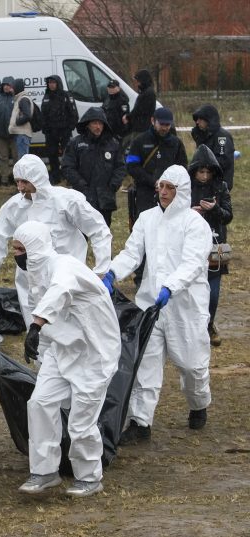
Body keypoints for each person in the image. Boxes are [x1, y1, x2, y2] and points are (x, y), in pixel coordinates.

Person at [101, 165, 212, 444]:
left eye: (169, 188)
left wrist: (171, 287)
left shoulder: (194, 224)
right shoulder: (147, 218)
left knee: (191, 366)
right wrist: (113, 271)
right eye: (161, 186)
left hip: (185, 307)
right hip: (150, 306)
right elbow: (132, 252)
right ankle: (141, 422)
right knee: (146, 365)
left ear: (181, 191)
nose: (163, 192)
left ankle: (199, 403)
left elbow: (193, 263)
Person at [12, 221, 120, 498]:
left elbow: (59, 292)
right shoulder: (35, 276)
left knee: (81, 420)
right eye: (14, 249)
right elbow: (54, 317)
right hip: (62, 351)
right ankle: (45, 471)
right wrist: (40, 343)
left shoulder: (65, 266)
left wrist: (35, 326)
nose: (16, 255)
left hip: (94, 352)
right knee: (40, 403)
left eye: (21, 249)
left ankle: (89, 477)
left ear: (35, 249)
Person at [0, 154, 113, 327]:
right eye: (17, 181)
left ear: (38, 179)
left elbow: (98, 229)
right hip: (29, 280)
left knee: (70, 329)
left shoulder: (66, 201)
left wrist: (102, 271)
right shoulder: (14, 206)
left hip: (66, 278)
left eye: (24, 182)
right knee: (36, 330)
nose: (20, 187)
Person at [188, 145, 232, 347]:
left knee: (213, 295)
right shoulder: (184, 187)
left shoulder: (221, 187)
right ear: (194, 170)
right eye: (201, 171)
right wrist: (191, 213)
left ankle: (209, 324)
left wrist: (214, 209)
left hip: (216, 246)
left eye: (208, 172)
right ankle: (191, 327)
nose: (204, 176)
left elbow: (228, 216)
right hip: (190, 246)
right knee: (190, 291)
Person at [61, 107, 126, 228]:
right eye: (95, 123)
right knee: (80, 236)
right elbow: (67, 166)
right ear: (87, 124)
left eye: (101, 123)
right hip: (82, 195)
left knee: (103, 233)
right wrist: (80, 184)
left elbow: (120, 167)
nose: (98, 127)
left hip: (105, 197)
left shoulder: (113, 144)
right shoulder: (76, 143)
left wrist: (113, 185)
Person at [126, 107, 188, 219]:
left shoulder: (176, 143)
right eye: (161, 124)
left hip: (170, 194)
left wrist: (169, 183)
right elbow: (132, 166)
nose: (164, 128)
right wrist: (153, 182)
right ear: (152, 121)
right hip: (145, 193)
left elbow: (183, 167)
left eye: (167, 125)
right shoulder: (139, 141)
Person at [40, 75, 78, 185]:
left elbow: (73, 114)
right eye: (49, 83)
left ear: (58, 83)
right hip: (51, 132)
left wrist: (69, 127)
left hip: (64, 131)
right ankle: (56, 177)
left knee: (67, 156)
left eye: (53, 82)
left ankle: (69, 177)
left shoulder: (66, 96)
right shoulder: (47, 96)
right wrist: (45, 129)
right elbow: (44, 115)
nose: (51, 85)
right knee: (52, 155)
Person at [190, 104, 235, 190]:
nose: (197, 122)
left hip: (218, 184)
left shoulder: (222, 136)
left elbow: (223, 161)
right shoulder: (203, 136)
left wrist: (201, 166)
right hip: (204, 182)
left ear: (208, 120)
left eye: (200, 119)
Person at [0, 76, 17, 186]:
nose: (6, 87)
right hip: (0, 133)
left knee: (17, 158)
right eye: (5, 85)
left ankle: (17, 179)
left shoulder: (16, 98)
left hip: (15, 133)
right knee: (4, 157)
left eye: (9, 85)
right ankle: (4, 179)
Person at [8, 78, 36, 157]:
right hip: (20, 134)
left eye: (12, 88)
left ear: (17, 88)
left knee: (23, 160)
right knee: (21, 160)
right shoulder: (19, 98)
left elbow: (27, 115)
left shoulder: (23, 99)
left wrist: (17, 122)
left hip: (22, 135)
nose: (11, 90)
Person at [125, 69, 156, 139]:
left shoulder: (148, 93)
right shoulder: (146, 92)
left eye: (138, 81)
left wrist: (128, 117)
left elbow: (139, 109)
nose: (137, 84)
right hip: (141, 126)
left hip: (142, 127)